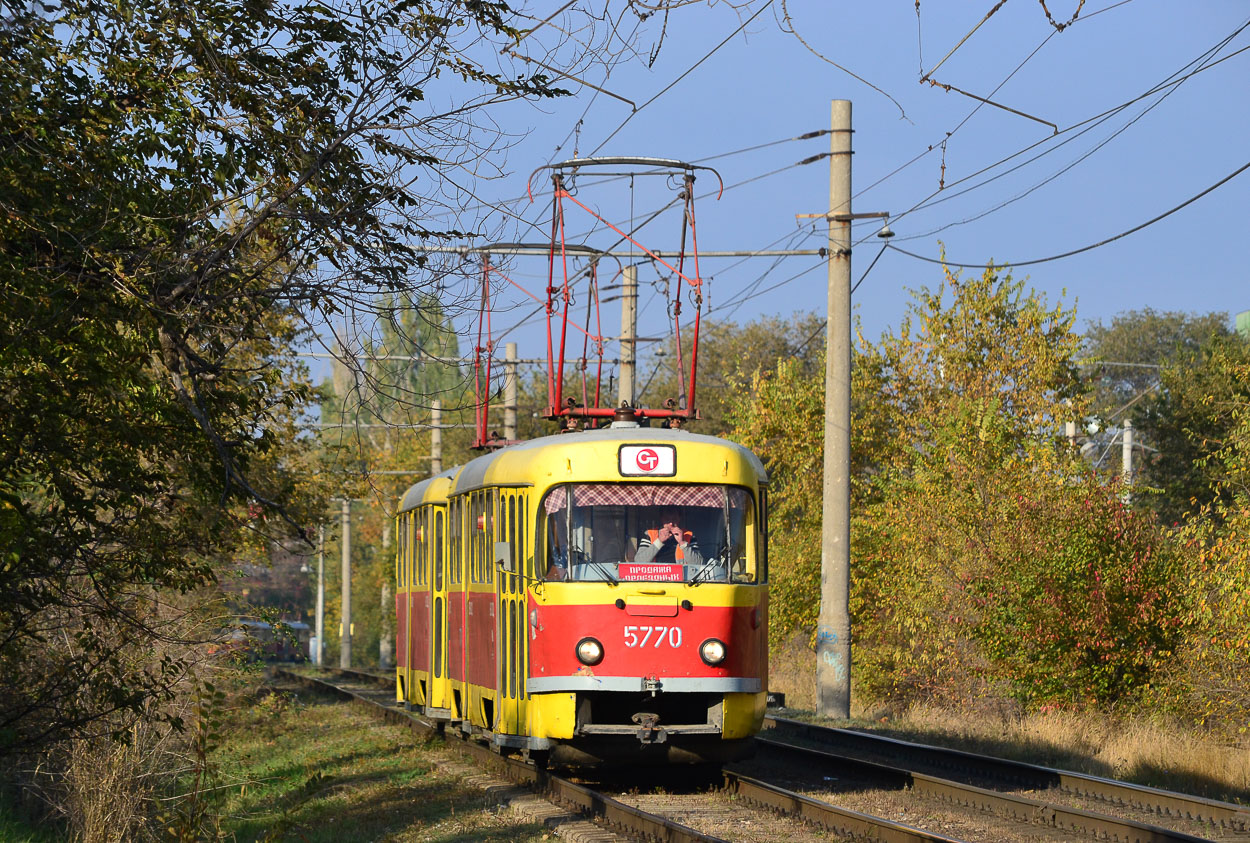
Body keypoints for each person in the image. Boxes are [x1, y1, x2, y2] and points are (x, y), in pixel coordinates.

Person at [634, 509, 702, 566]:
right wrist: (659, 541)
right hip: (655, 577)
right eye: (667, 519)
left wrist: (683, 543)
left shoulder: (688, 535)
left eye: (674, 519)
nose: (671, 524)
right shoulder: (650, 534)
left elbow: (699, 564)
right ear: (661, 519)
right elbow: (638, 561)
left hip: (680, 578)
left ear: (679, 518)